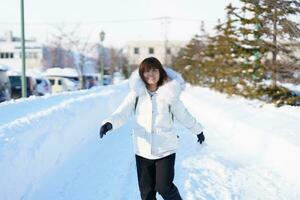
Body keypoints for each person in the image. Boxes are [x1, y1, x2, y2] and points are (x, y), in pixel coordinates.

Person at [99, 57, 205, 200]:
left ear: (160, 72)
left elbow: (184, 115)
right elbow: (122, 113)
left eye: (154, 70)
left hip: (165, 149)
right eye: (147, 71)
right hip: (142, 150)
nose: (151, 74)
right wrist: (109, 123)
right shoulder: (136, 94)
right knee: (147, 193)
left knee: (164, 187)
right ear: (142, 74)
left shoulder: (169, 93)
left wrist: (198, 131)